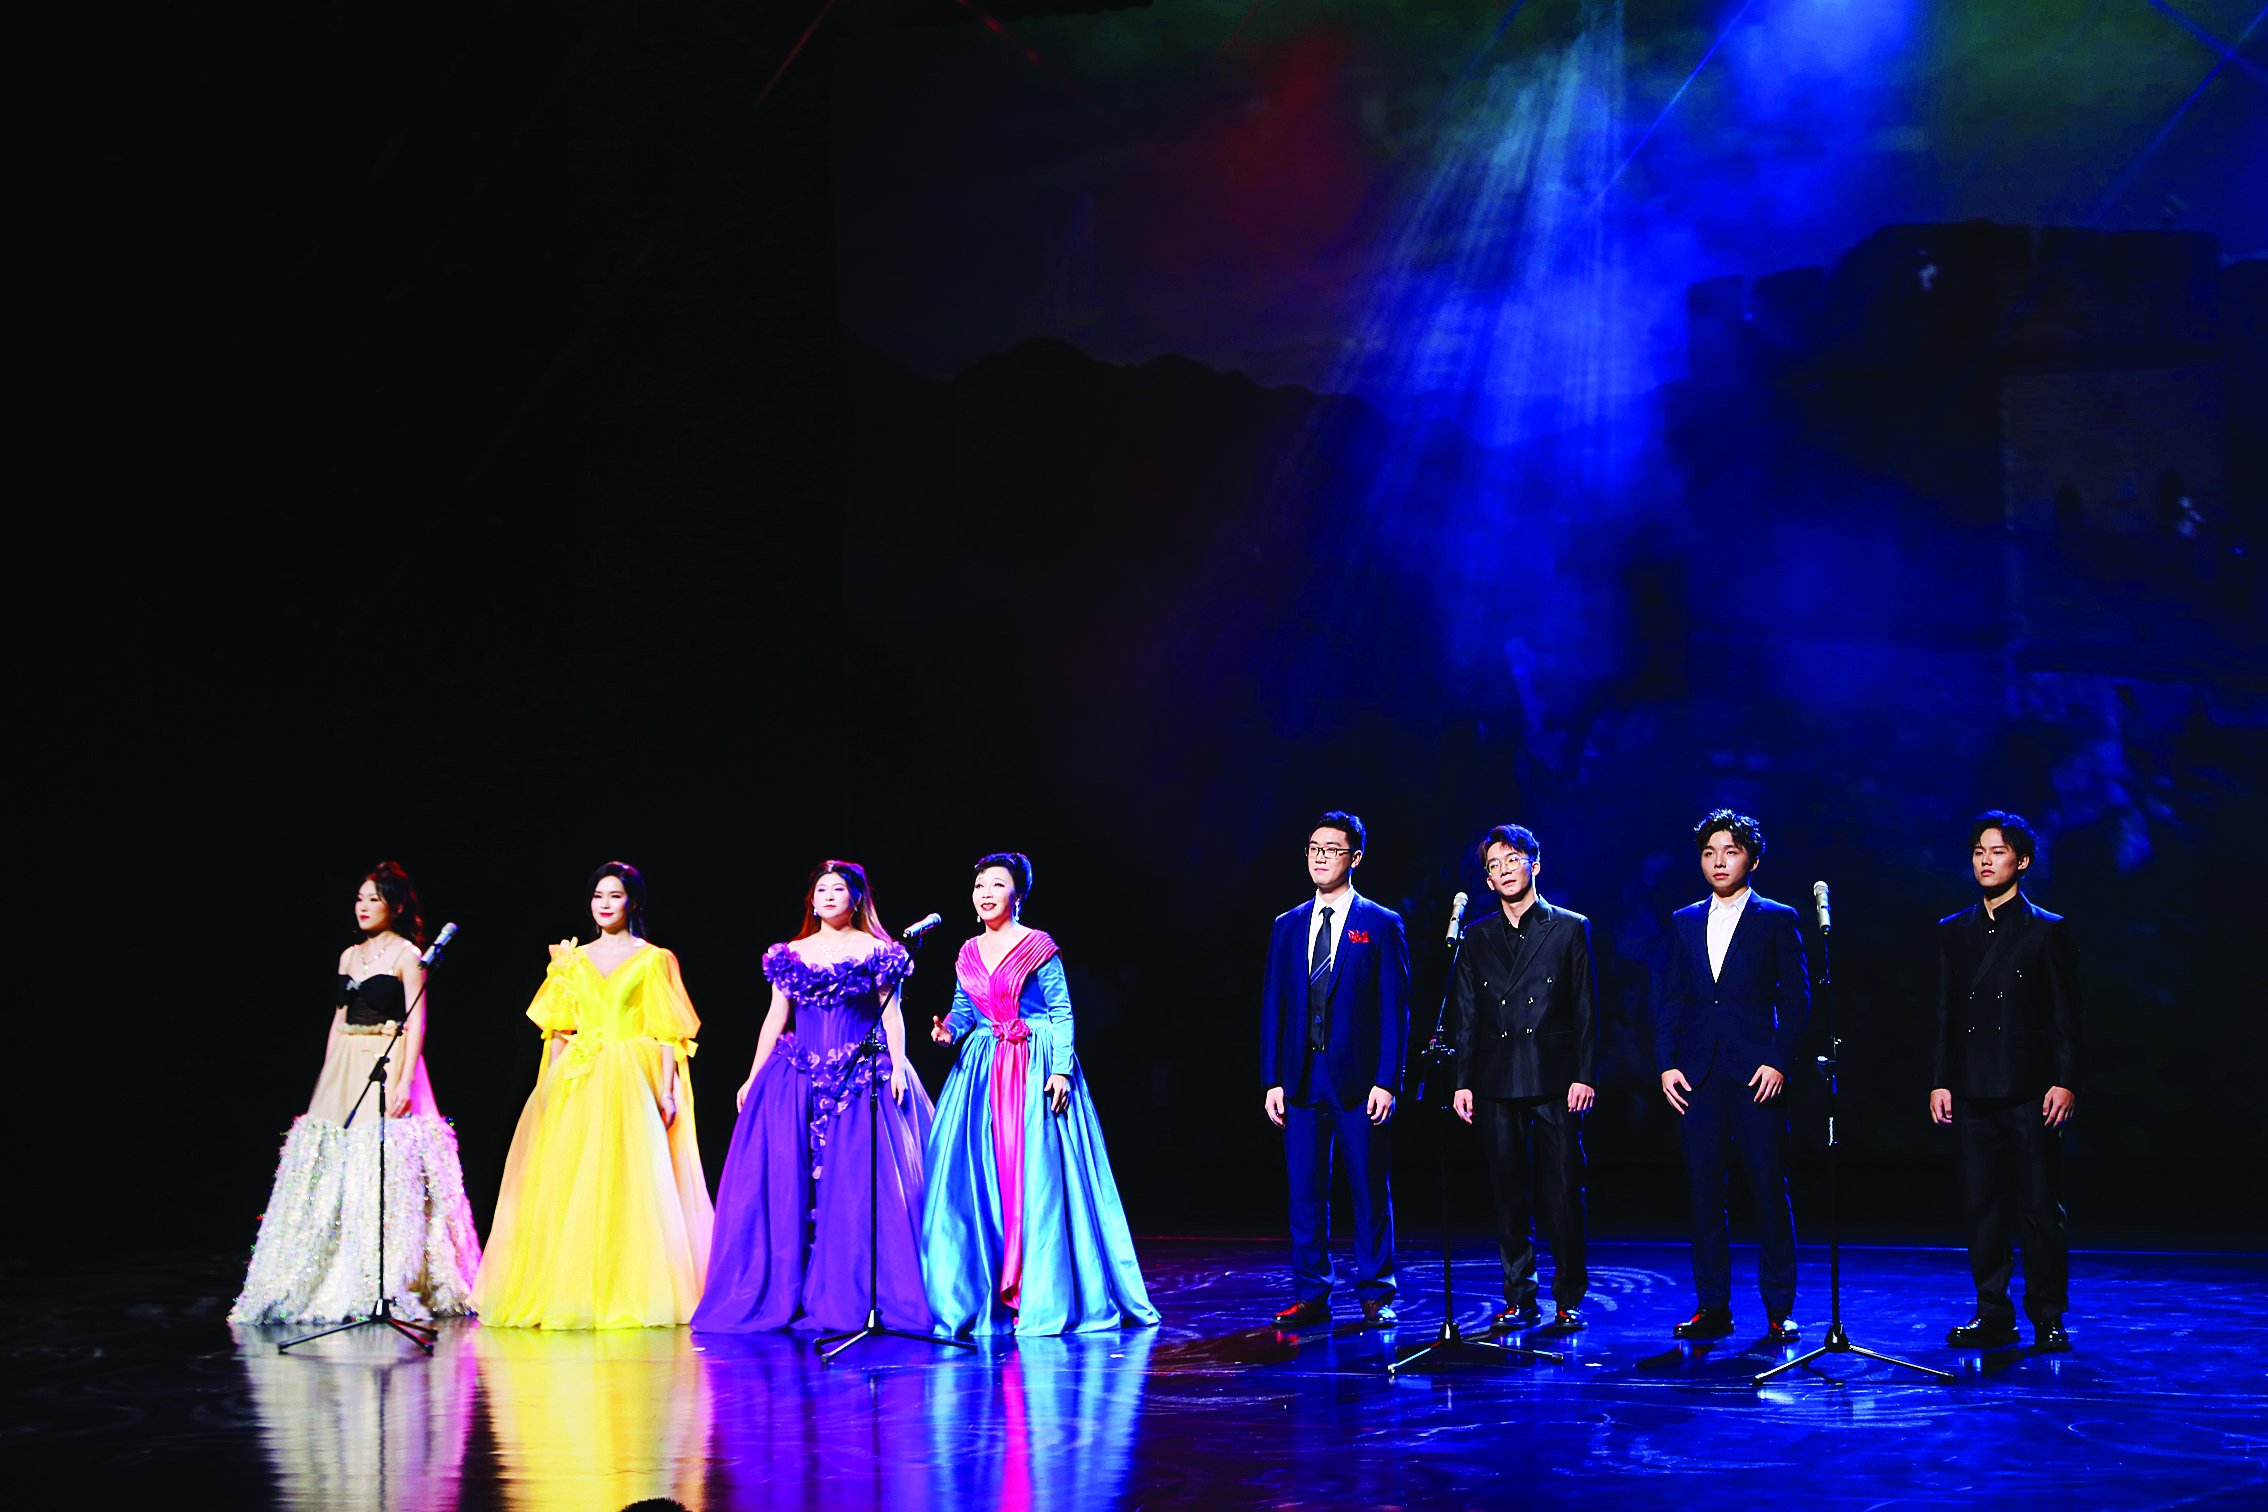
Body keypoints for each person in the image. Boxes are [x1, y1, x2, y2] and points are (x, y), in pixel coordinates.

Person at [231, 863, 483, 1325]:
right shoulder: (349, 956)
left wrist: (404, 1080)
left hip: (387, 1056)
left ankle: (382, 1276)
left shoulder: (408, 955)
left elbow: (416, 1020)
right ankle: (318, 1273)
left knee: (382, 1165)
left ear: (396, 906)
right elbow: (339, 1017)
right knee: (329, 1158)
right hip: (348, 1059)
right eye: (360, 899)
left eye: (374, 899)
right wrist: (327, 1073)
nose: (364, 907)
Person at [921, 853, 1158, 1336]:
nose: (986, 893)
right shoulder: (968, 951)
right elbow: (964, 1009)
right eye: (980, 885)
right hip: (984, 1069)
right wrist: (949, 1032)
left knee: (1038, 1176)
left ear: (1018, 894)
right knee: (983, 1177)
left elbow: (1061, 1010)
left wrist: (1061, 1069)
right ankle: (986, 1292)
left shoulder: (1038, 945)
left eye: (997, 884)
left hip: (1034, 1064)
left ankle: (1045, 1291)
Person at [693, 861, 933, 1333]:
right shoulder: (791, 953)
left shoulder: (878, 951)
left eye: (838, 888)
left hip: (860, 1079)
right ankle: (791, 1289)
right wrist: (752, 1076)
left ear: (856, 898)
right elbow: (774, 1017)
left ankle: (853, 1291)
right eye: (821, 889)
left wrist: (900, 1065)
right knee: (790, 1183)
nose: (827, 895)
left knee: (858, 1186)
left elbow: (892, 1015)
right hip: (797, 1076)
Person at [473, 862, 714, 1329]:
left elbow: (668, 1033)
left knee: (632, 1181)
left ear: (633, 902)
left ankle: (632, 1288)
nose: (605, 904)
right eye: (598, 896)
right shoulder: (572, 959)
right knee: (572, 1182)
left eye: (615, 895)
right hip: (580, 1077)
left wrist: (667, 1091)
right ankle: (572, 1290)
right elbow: (558, 1029)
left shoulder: (654, 959)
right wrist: (549, 1086)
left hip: (632, 1075)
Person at [1931, 810, 2082, 1352]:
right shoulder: (1953, 930)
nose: (1986, 861)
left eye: (1997, 852)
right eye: (1979, 852)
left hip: (2029, 1089)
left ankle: (2047, 1313)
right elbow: (1945, 1012)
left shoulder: (2047, 928)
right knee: (1982, 1206)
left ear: (2022, 861)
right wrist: (1940, 1080)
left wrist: (2065, 1081)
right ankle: (1992, 1311)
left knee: (2039, 1207)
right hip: (1971, 1087)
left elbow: (2067, 1015)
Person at [1655, 809, 1809, 1342]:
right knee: (1704, 1193)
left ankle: (1778, 1308)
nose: (1719, 862)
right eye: (1709, 853)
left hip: (1756, 1073)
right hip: (1696, 1074)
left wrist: (1778, 1061)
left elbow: (1797, 1000)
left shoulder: (1778, 918)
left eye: (1730, 851)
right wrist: (1667, 1063)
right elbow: (1670, 998)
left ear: (1753, 859)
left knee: (1768, 1188)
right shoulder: (1683, 920)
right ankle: (1711, 1307)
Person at [1261, 811, 1413, 1328]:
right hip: (1301, 1079)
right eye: (1314, 848)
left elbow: (1395, 1011)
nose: (1321, 857)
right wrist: (1272, 1079)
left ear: (1356, 857)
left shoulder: (1381, 923)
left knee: (1368, 1190)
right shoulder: (1287, 925)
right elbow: (1274, 1007)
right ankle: (1311, 1294)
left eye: (1332, 849)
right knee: (1305, 1193)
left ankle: (1375, 1293)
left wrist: (1388, 1081)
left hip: (1359, 1082)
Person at [1451, 824, 1598, 1332]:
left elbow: (1586, 1009)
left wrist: (1584, 1075)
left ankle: (1569, 1295)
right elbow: (1467, 1015)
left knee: (1563, 1189)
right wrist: (1462, 1081)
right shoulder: (1474, 937)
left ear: (1535, 865)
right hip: (1495, 1077)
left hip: (1555, 1076)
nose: (1504, 869)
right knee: (1508, 1191)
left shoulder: (1569, 927)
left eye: (1513, 859)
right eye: (1494, 864)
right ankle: (1519, 1295)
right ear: (1488, 880)